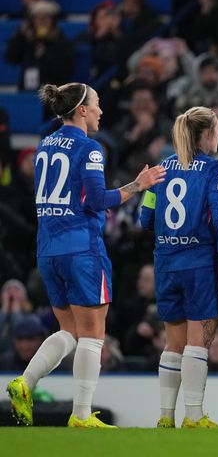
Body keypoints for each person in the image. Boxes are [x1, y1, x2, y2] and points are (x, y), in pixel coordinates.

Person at [6, 82, 165, 428]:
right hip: (82, 249)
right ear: (81, 110)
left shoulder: (44, 146)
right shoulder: (90, 149)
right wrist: (138, 185)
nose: (100, 111)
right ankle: (80, 414)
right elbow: (96, 200)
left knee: (70, 331)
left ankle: (25, 382)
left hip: (48, 250)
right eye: (96, 105)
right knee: (93, 332)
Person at [139, 107, 218, 428]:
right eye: (216, 130)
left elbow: (145, 218)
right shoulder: (214, 170)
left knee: (172, 342)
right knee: (197, 341)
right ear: (206, 134)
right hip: (199, 262)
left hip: (165, 262)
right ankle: (194, 415)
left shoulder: (161, 169)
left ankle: (165, 417)